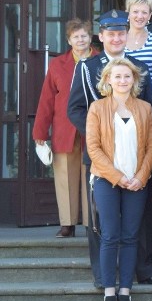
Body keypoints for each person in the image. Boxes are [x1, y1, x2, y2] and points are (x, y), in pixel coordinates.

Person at [66, 10, 152, 289]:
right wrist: (99, 135)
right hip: (100, 156)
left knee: (142, 216)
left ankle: (144, 269)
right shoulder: (87, 67)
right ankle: (103, 275)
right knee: (100, 221)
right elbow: (74, 109)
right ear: (102, 36)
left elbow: (147, 109)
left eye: (121, 33)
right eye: (111, 33)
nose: (116, 38)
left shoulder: (138, 66)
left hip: (136, 153)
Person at [86, 58, 152, 301]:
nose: (122, 81)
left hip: (138, 182)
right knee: (109, 235)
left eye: (127, 76)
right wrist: (118, 177)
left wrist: (141, 175)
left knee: (130, 237)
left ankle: (125, 292)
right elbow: (93, 148)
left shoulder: (145, 108)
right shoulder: (97, 108)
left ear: (134, 80)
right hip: (107, 181)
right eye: (117, 76)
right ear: (107, 80)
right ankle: (108, 293)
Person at [33, 19, 98, 238]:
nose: (80, 40)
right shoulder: (57, 65)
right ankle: (67, 224)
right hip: (64, 128)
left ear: (91, 38)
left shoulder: (101, 60)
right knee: (65, 177)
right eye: (76, 36)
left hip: (95, 127)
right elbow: (46, 100)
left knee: (93, 177)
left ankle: (92, 223)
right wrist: (40, 133)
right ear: (69, 40)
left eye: (84, 36)